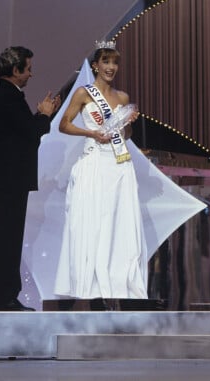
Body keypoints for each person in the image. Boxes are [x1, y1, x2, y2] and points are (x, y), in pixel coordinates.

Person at [54, 41, 148, 299]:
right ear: (95, 65)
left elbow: (125, 136)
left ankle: (119, 282)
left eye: (115, 62)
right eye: (106, 62)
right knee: (95, 222)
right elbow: (64, 125)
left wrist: (128, 125)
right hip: (95, 163)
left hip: (119, 165)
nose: (111, 67)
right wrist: (92, 133)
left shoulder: (123, 98)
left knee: (118, 222)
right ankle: (91, 285)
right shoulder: (84, 93)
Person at [0, 46, 60, 311]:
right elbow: (30, 132)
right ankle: (5, 300)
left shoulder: (3, 95)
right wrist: (44, 114)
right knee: (8, 241)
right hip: (9, 179)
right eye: (28, 68)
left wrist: (39, 115)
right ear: (15, 70)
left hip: (7, 179)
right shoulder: (7, 97)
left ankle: (7, 298)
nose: (31, 74)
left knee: (9, 240)